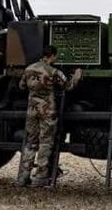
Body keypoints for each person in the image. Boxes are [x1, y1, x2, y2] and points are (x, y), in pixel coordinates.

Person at [16, 45, 82, 187]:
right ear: (52, 56)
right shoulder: (54, 72)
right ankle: (40, 176)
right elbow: (68, 86)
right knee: (45, 142)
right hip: (47, 111)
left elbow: (21, 86)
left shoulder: (28, 69)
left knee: (31, 142)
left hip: (32, 110)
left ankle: (24, 176)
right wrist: (76, 75)